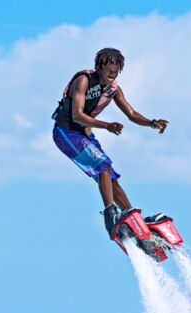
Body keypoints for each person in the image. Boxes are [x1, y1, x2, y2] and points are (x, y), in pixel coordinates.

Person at [51, 47, 169, 237]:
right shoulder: (84, 81)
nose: (112, 76)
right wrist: (106, 126)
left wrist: (151, 123)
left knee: (111, 178)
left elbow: (131, 114)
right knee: (103, 165)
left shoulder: (113, 89)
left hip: (85, 135)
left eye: (116, 73)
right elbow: (77, 115)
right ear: (99, 67)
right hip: (66, 133)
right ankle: (110, 216)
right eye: (109, 72)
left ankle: (133, 221)